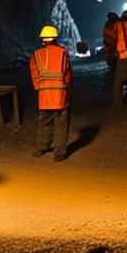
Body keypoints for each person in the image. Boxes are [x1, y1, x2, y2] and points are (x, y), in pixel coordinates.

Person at [29, 25, 72, 161]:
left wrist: (39, 87)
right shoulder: (63, 53)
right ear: (55, 38)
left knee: (44, 122)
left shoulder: (36, 54)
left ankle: (42, 148)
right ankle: (59, 153)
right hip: (60, 95)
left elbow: (34, 74)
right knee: (61, 124)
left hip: (45, 95)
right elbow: (68, 75)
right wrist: (66, 87)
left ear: (43, 39)